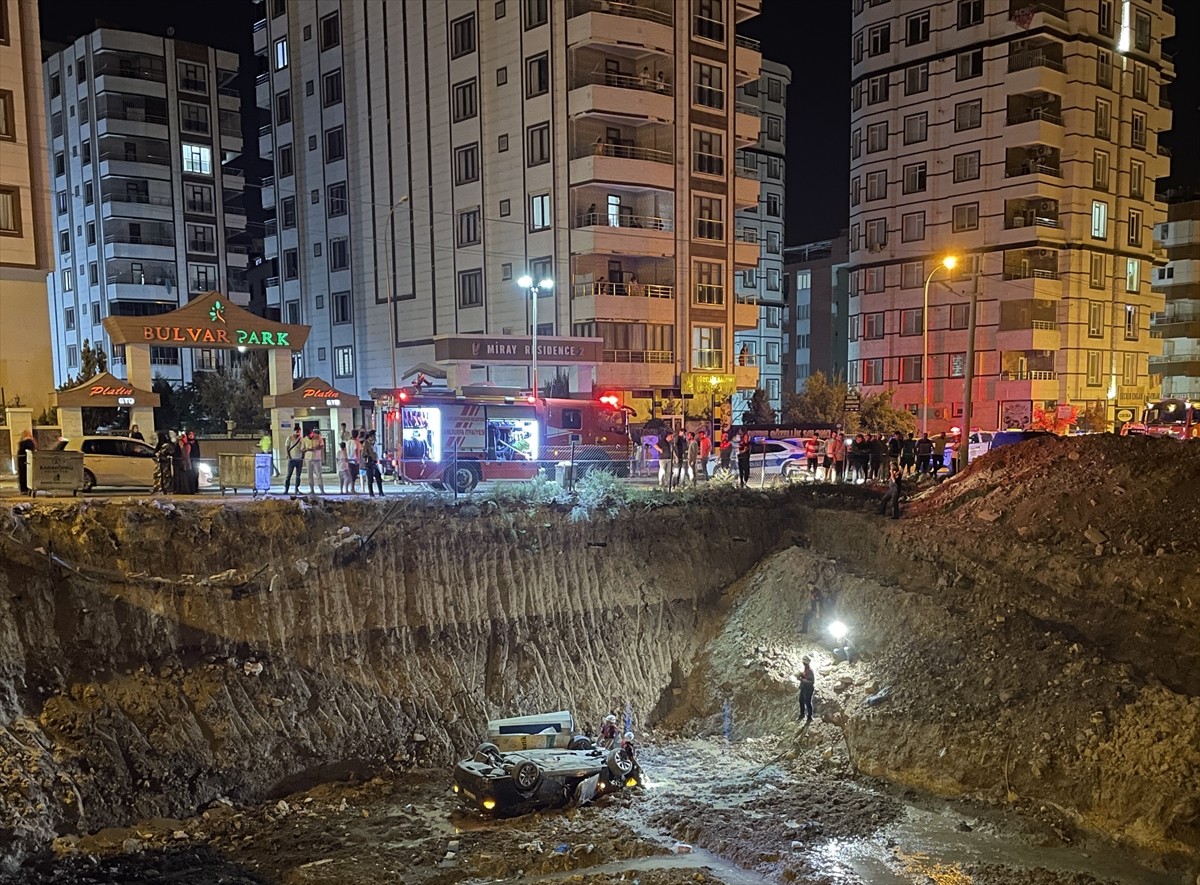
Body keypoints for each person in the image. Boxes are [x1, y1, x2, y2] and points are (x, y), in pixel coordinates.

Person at [303, 429, 326, 494]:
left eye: (310, 435)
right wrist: (307, 449)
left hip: (317, 459)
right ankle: (312, 490)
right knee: (310, 475)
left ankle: (322, 490)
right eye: (308, 436)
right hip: (308, 459)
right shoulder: (304, 439)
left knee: (319, 474)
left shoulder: (318, 437)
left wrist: (315, 448)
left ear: (312, 433)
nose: (309, 437)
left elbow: (322, 446)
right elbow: (302, 449)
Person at [283, 427, 304, 495]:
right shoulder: (290, 438)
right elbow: (287, 448)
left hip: (299, 459)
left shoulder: (301, 439)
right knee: (289, 475)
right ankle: (286, 489)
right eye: (297, 431)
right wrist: (289, 457)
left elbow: (303, 448)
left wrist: (302, 457)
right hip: (291, 460)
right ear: (294, 431)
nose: (298, 433)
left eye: (299, 432)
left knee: (298, 476)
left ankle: (296, 489)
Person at [16, 429, 35, 495]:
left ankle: (23, 489)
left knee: (22, 475)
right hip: (27, 460)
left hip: (21, 460)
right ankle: (26, 489)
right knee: (27, 475)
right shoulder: (29, 441)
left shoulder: (21, 442)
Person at [797, 657, 815, 724]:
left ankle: (809, 716)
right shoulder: (805, 669)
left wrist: (802, 680)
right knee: (801, 700)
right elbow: (805, 677)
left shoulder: (810, 671)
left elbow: (812, 682)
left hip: (809, 688)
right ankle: (802, 714)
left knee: (807, 702)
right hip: (804, 687)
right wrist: (801, 675)